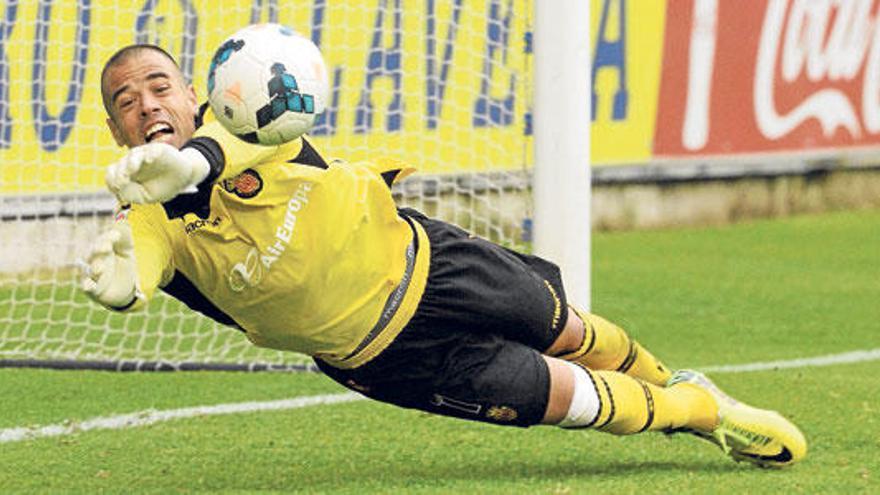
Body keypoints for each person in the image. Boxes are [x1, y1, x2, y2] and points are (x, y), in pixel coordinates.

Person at [83, 43, 806, 468]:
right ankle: (704, 412)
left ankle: (677, 380)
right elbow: (143, 256)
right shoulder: (144, 216)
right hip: (382, 356)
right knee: (570, 399)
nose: (146, 105)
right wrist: (126, 285)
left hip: (431, 264)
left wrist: (194, 161)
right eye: (125, 101)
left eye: (158, 86)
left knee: (576, 333)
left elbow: (234, 146)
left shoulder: (245, 119)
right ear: (116, 130)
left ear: (190, 93)